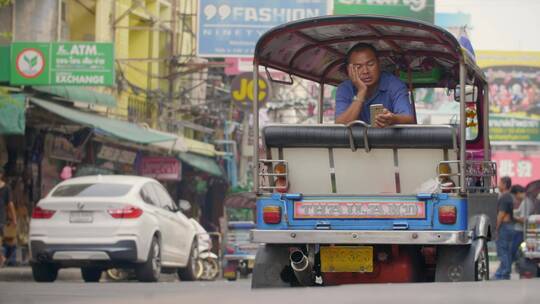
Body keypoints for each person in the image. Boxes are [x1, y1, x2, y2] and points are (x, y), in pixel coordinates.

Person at [335, 43, 415, 127]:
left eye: (370, 64)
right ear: (349, 70)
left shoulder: (394, 84)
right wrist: (361, 92)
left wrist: (393, 119)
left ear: (379, 64)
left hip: (388, 138)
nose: (365, 71)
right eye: (358, 67)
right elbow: (340, 126)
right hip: (356, 140)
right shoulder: (344, 88)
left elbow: (409, 118)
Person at [494, 176, 514, 280]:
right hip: (509, 226)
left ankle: (504, 272)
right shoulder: (509, 196)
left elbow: (501, 215)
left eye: (500, 183)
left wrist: (496, 228)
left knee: (503, 250)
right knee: (506, 250)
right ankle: (503, 272)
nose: (498, 185)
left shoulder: (504, 197)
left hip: (505, 226)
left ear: (505, 185)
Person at [0, 168, 17, 267]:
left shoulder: (6, 188)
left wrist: (14, 219)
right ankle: (2, 258)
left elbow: (10, 204)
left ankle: (2, 258)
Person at [512, 185, 533, 263]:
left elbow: (524, 220)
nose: (515, 198)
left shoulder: (526, 203)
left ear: (517, 193)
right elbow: (519, 211)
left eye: (514, 196)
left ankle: (520, 264)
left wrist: (513, 217)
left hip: (521, 230)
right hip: (520, 230)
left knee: (513, 250)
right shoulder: (525, 201)